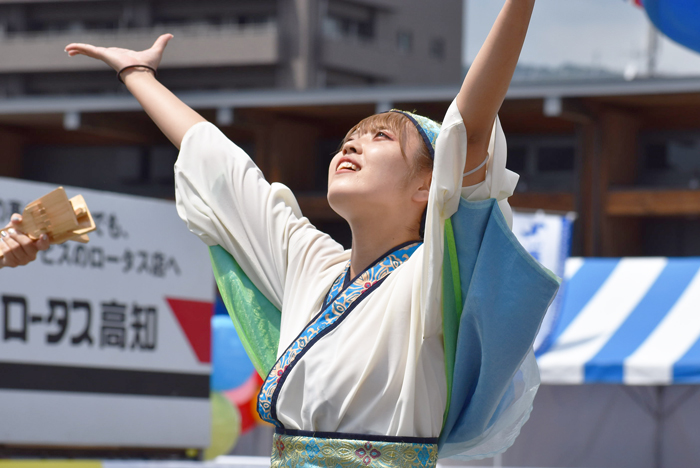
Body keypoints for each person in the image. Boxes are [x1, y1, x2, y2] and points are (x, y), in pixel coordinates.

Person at [66, 1, 559, 465]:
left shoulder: (434, 275)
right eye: (347, 140)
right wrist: (138, 74)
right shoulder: (313, 267)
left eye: (380, 137)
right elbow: (220, 164)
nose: (352, 146)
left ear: (431, 186)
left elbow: (468, 132)